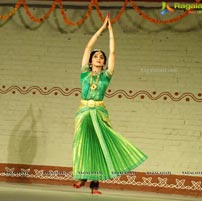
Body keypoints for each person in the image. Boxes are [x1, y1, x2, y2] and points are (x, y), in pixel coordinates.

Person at [72, 15, 148, 194]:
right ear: (91, 61)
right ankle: (82, 176)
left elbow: (113, 52)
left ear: (104, 63)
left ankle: (95, 184)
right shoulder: (84, 73)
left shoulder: (106, 76)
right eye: (96, 57)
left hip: (98, 111)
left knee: (100, 144)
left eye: (101, 57)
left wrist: (111, 30)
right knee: (83, 143)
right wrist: (100, 29)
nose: (98, 58)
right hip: (83, 112)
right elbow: (88, 47)